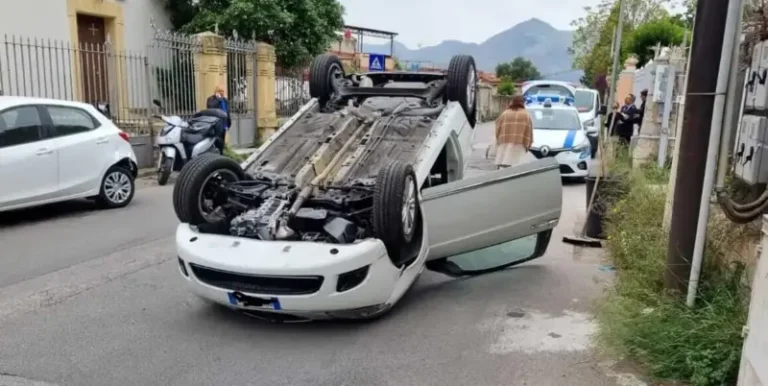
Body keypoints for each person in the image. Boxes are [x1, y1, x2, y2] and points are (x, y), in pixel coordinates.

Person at [494, 94, 533, 169]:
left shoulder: (505, 114)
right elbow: (529, 131)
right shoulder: (525, 115)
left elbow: (497, 126)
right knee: (518, 167)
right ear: (522, 103)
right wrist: (528, 143)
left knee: (503, 167)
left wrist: (498, 139)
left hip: (505, 144)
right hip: (519, 145)